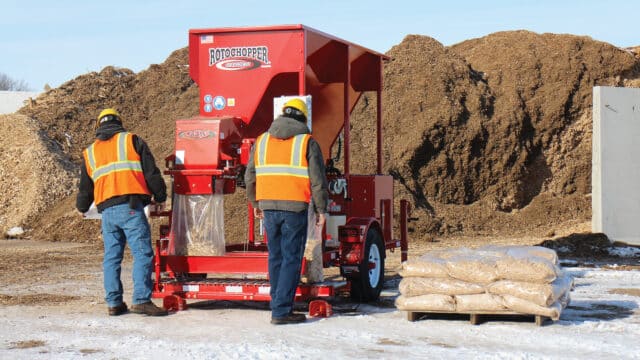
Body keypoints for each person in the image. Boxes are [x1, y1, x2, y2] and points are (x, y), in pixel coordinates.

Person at [76, 108, 169, 317]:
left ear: (98, 126)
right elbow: (151, 172)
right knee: (142, 254)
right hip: (130, 208)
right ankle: (141, 300)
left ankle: (114, 303)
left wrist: (82, 207)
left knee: (111, 257)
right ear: (119, 122)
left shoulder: (90, 152)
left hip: (107, 213)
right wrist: (161, 196)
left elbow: (85, 188)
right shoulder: (131, 140)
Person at [245, 98, 329, 325]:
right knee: (291, 258)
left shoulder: (261, 141)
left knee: (276, 256)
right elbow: (318, 180)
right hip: (295, 207)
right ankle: (281, 311)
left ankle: (277, 303)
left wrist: (256, 203)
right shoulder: (307, 142)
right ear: (303, 118)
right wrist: (322, 209)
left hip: (269, 207)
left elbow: (249, 176)